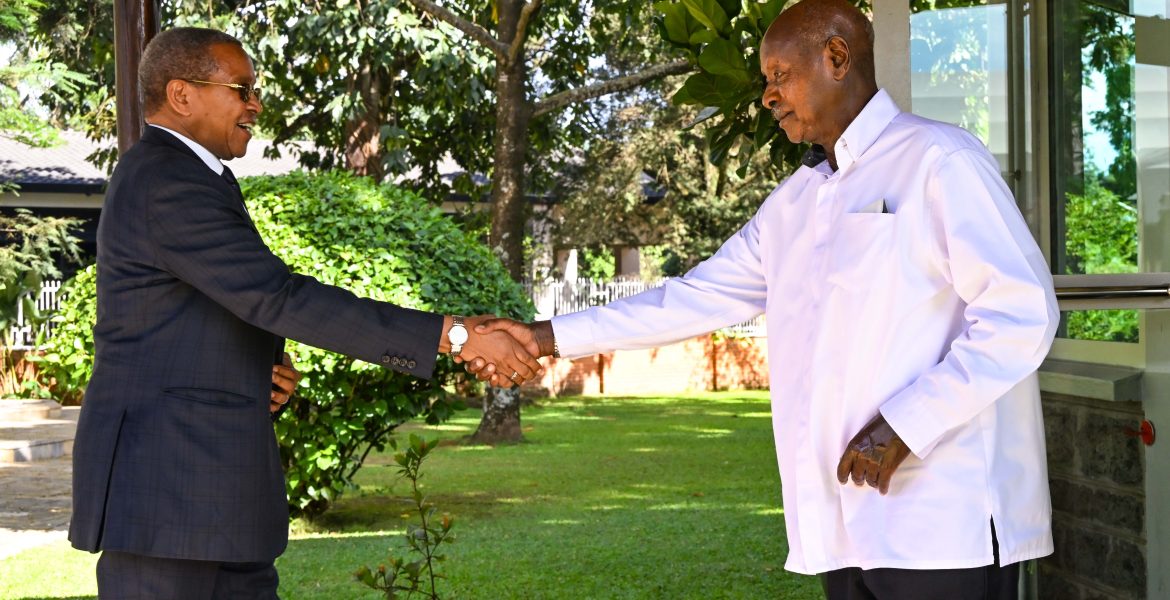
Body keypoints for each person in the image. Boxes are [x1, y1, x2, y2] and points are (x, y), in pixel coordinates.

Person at [472, 1, 1059, 598]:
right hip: (841, 524)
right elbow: (692, 297)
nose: (768, 97)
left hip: (944, 520)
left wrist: (908, 423)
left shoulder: (940, 159)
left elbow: (1022, 314)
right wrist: (545, 338)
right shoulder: (794, 204)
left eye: (780, 75)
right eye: (766, 82)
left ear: (836, 56)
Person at [69, 27, 538, 598]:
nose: (255, 104)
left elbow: (204, 308)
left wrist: (249, 372)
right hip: (168, 500)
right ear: (181, 94)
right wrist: (457, 334)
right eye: (241, 89)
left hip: (214, 503)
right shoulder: (164, 178)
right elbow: (279, 296)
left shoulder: (199, 178)